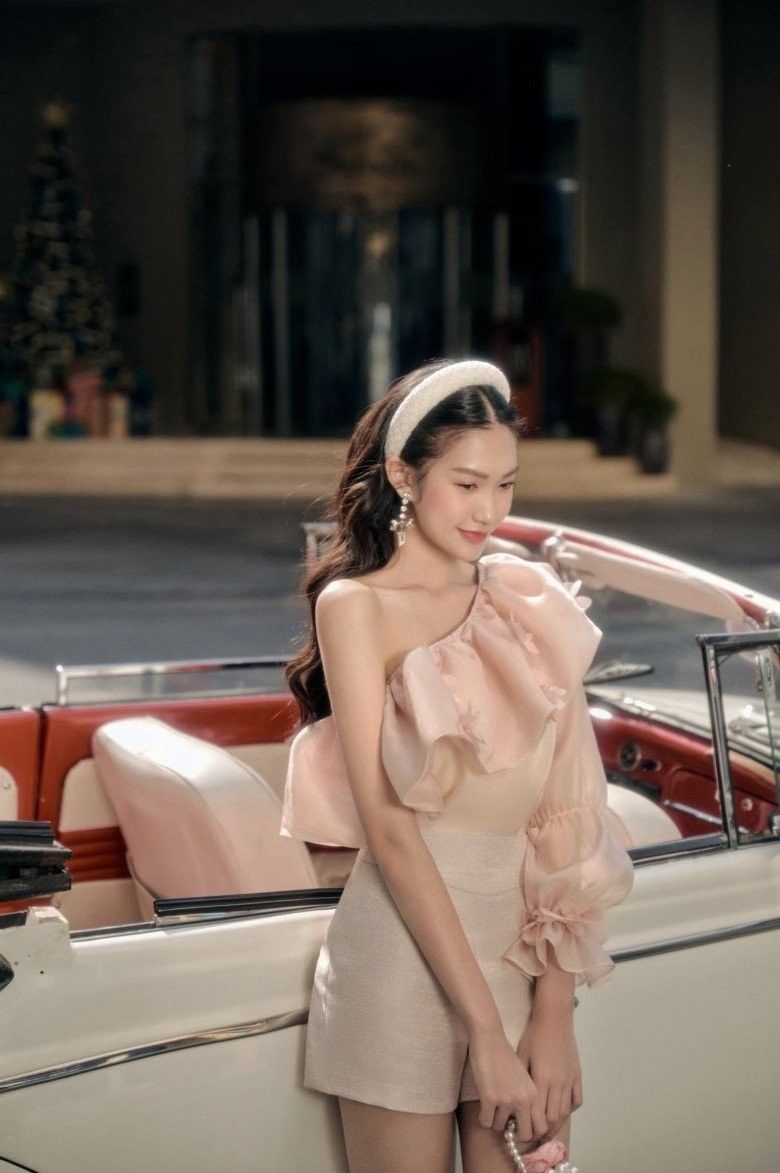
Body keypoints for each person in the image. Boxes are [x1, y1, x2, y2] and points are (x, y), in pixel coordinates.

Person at [281, 357, 635, 1173]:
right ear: (403, 474)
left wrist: (553, 1014)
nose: (489, 510)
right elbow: (390, 830)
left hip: (523, 961)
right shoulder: (356, 607)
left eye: (505, 485)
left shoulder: (525, 599)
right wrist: (483, 1031)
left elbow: (568, 812)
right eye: (467, 484)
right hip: (400, 962)